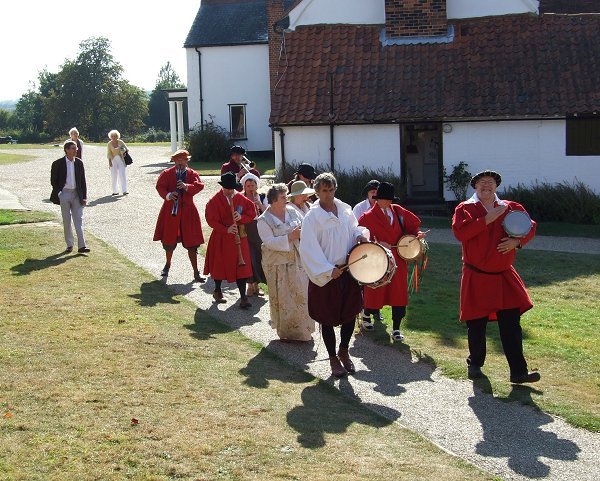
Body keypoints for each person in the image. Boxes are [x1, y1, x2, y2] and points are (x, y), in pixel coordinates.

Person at [452, 169, 540, 384]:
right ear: (475, 186)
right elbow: (461, 233)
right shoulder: (465, 209)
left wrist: (517, 242)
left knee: (511, 324)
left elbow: (529, 226)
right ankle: (475, 364)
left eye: (490, 182)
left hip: (503, 276)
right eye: (482, 182)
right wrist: (488, 218)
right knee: (476, 324)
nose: (486, 186)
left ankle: (518, 372)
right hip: (477, 276)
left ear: (496, 186)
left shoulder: (511, 208)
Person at [299, 172, 369, 377]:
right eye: (324, 191)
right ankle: (332, 359)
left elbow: (355, 228)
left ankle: (344, 351)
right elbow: (308, 248)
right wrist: (328, 270)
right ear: (317, 192)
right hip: (327, 274)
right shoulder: (312, 217)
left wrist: (358, 236)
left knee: (349, 315)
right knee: (327, 319)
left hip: (348, 270)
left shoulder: (345, 209)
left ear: (335, 189)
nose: (328, 194)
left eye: (331, 190)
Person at [357, 182, 424, 340]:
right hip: (377, 258)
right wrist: (377, 243)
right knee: (375, 289)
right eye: (385, 199)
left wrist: (416, 235)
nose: (388, 202)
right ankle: (366, 315)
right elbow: (359, 237)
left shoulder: (398, 211)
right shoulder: (367, 217)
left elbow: (413, 225)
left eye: (390, 199)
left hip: (398, 258)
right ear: (377, 199)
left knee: (398, 293)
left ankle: (396, 328)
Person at [258, 183, 315, 341]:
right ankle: (288, 333)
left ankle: (304, 331)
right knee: (285, 298)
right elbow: (269, 242)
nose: (286, 199)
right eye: (283, 197)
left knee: (302, 294)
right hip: (278, 265)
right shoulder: (264, 220)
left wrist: (302, 234)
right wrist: (290, 236)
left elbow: (305, 227)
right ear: (274, 200)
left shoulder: (292, 211)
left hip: (297, 260)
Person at [204, 172, 256, 308]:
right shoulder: (214, 200)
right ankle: (217, 290)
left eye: (231, 188)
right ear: (222, 187)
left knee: (242, 267)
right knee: (219, 265)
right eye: (227, 188)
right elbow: (211, 219)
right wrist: (225, 229)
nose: (229, 191)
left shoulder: (240, 198)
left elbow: (252, 212)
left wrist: (241, 217)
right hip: (222, 237)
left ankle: (243, 297)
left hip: (239, 236)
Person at [153, 149, 205, 282]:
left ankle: (195, 272)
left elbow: (199, 186)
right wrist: (169, 195)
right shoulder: (167, 173)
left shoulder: (192, 173)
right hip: (171, 211)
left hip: (188, 211)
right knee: (168, 240)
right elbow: (160, 186)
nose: (180, 162)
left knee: (192, 243)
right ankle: (167, 265)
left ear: (187, 160)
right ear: (174, 161)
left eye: (182, 159)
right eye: (177, 160)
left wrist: (186, 186)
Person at [50, 140, 89, 253]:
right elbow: (53, 181)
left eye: (76, 148)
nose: (75, 150)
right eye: (73, 148)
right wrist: (59, 193)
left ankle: (82, 246)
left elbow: (83, 181)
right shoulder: (57, 163)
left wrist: (84, 197)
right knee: (66, 220)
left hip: (76, 194)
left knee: (79, 219)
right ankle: (69, 244)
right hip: (64, 193)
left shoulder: (79, 163)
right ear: (66, 150)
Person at [353, 179, 381, 324]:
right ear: (368, 193)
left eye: (377, 192)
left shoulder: (383, 207)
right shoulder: (359, 208)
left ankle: (376, 309)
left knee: (379, 278)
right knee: (364, 280)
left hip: (379, 248)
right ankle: (365, 310)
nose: (374, 194)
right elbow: (354, 228)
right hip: (364, 248)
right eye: (372, 192)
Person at [240, 172, 267, 297]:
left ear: (256, 186)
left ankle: (258, 284)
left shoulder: (262, 197)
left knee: (259, 257)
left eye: (252, 185)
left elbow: (269, 212)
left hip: (260, 229)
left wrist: (259, 205)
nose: (250, 188)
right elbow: (238, 213)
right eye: (248, 186)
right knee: (249, 257)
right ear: (244, 187)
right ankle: (250, 284)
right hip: (246, 229)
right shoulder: (241, 198)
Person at [106, 130, 129, 196]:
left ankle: (124, 190)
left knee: (122, 174)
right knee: (114, 175)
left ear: (117, 136)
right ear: (110, 137)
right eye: (112, 136)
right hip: (113, 160)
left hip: (121, 160)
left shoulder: (121, 142)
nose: (114, 137)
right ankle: (115, 191)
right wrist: (109, 162)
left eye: (115, 136)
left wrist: (124, 152)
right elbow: (109, 153)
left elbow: (126, 149)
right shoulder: (109, 144)